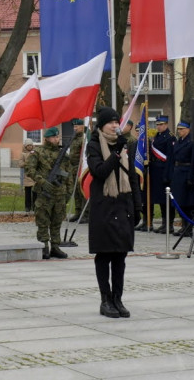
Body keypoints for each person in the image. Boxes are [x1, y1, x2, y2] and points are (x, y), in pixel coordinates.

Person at [86, 107, 141, 318]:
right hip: (104, 208)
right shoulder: (93, 145)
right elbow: (99, 172)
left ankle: (118, 299)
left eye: (117, 122)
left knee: (120, 256)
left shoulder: (125, 145)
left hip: (123, 206)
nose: (115, 125)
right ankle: (105, 300)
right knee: (104, 255)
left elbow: (132, 177)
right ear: (101, 125)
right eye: (111, 122)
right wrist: (116, 153)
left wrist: (138, 207)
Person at [26, 127, 79, 259]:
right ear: (47, 138)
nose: (57, 139)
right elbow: (30, 169)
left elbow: (68, 176)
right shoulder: (37, 152)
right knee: (43, 221)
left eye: (58, 137)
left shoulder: (64, 156)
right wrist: (42, 181)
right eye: (54, 137)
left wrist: (68, 192)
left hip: (59, 194)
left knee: (57, 221)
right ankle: (44, 246)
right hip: (44, 193)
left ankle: (55, 246)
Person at [168, 120, 194, 236]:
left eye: (182, 129)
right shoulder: (178, 141)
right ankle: (184, 225)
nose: (179, 131)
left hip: (186, 173)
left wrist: (191, 177)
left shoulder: (192, 142)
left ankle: (189, 227)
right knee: (179, 201)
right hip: (178, 173)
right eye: (178, 129)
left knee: (188, 202)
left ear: (188, 129)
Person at [148, 115, 175, 233]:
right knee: (159, 198)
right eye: (157, 125)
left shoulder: (170, 137)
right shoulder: (156, 137)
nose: (159, 127)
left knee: (167, 198)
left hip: (164, 169)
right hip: (155, 169)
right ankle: (164, 222)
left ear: (166, 124)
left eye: (161, 125)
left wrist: (167, 174)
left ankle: (169, 223)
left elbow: (170, 158)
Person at [68, 119, 88, 222]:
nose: (75, 128)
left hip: (81, 167)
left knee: (82, 190)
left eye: (77, 126)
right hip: (73, 168)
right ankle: (78, 212)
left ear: (82, 127)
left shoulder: (84, 138)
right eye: (74, 127)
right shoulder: (74, 138)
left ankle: (86, 214)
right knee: (75, 191)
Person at [19, 139, 37, 212]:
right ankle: (27, 207)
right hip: (27, 176)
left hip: (35, 176)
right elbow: (20, 164)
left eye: (31, 145)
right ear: (25, 146)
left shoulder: (35, 153)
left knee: (35, 193)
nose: (29, 147)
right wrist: (27, 163)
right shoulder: (23, 154)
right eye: (28, 145)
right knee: (28, 193)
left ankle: (35, 206)